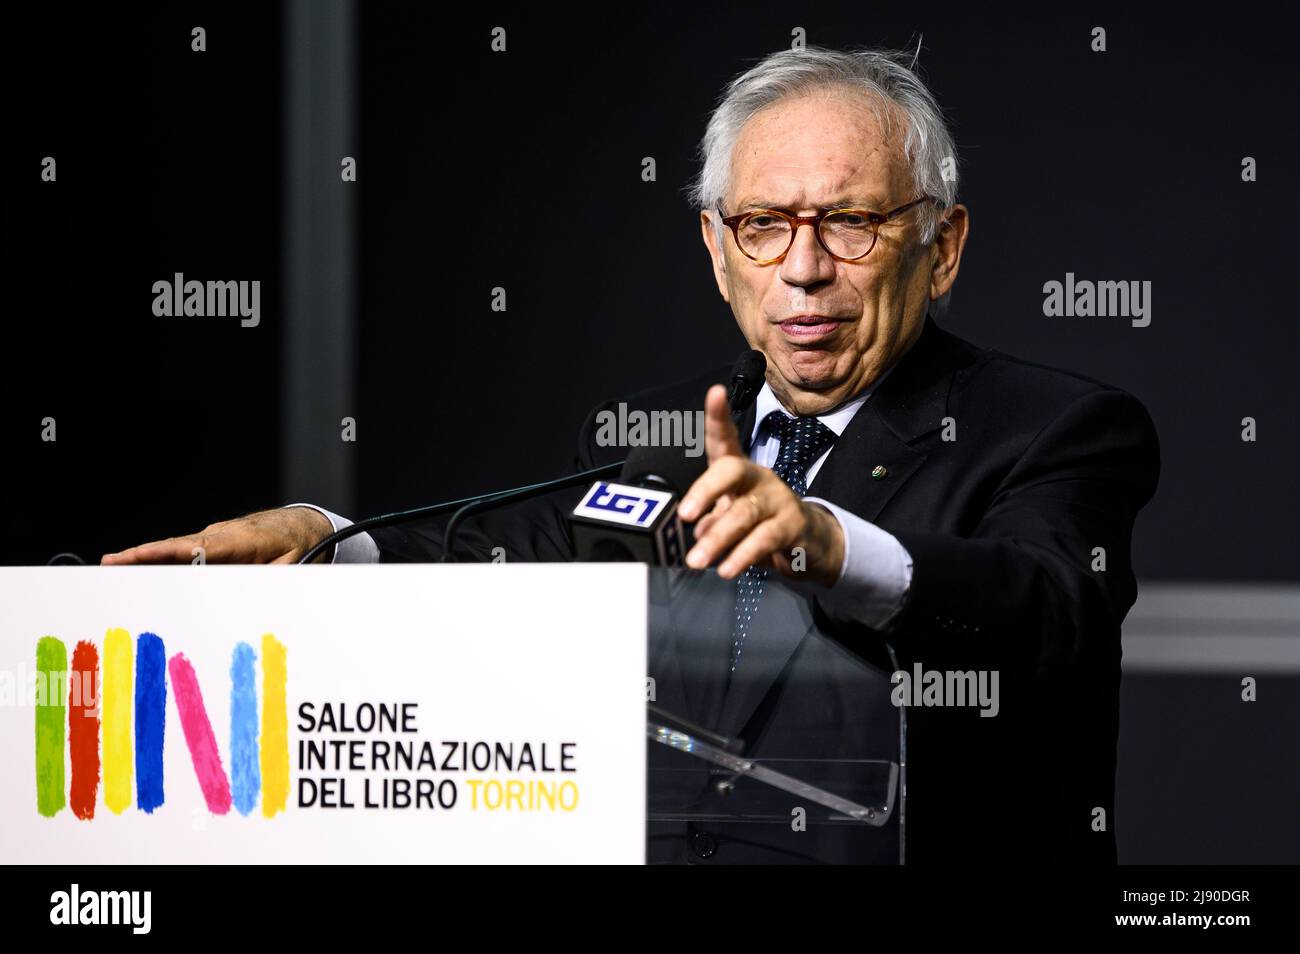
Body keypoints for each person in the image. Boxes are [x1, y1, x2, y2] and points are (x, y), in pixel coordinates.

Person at [104, 47, 1159, 864]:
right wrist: (326, 545)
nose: (801, 268)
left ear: (944, 248)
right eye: (761, 225)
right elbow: (514, 551)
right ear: (716, 252)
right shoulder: (660, 433)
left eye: (849, 222)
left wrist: (829, 543)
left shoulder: (1059, 428)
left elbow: (1049, 604)